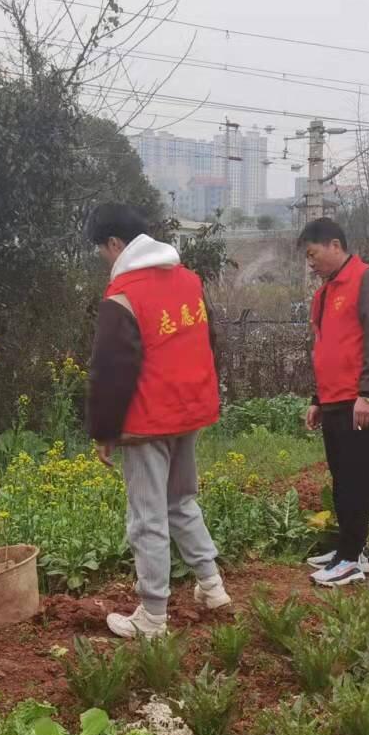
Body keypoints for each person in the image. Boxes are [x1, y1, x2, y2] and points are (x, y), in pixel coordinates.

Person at [85, 203, 231, 639]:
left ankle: (152, 615)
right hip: (188, 411)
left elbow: (111, 370)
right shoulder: (189, 280)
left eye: (102, 250)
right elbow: (210, 342)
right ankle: (212, 586)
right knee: (180, 502)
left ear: (115, 244)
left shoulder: (124, 294)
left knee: (147, 516)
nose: (104, 260)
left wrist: (104, 431)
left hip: (147, 419)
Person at [298, 216, 369, 587]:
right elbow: (327, 348)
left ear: (335, 245)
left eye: (313, 253)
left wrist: (368, 393)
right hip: (334, 400)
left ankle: (351, 558)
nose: (310, 262)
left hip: (359, 400)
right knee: (341, 479)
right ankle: (348, 550)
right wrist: (317, 398)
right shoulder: (325, 291)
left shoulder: (365, 280)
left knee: (356, 479)